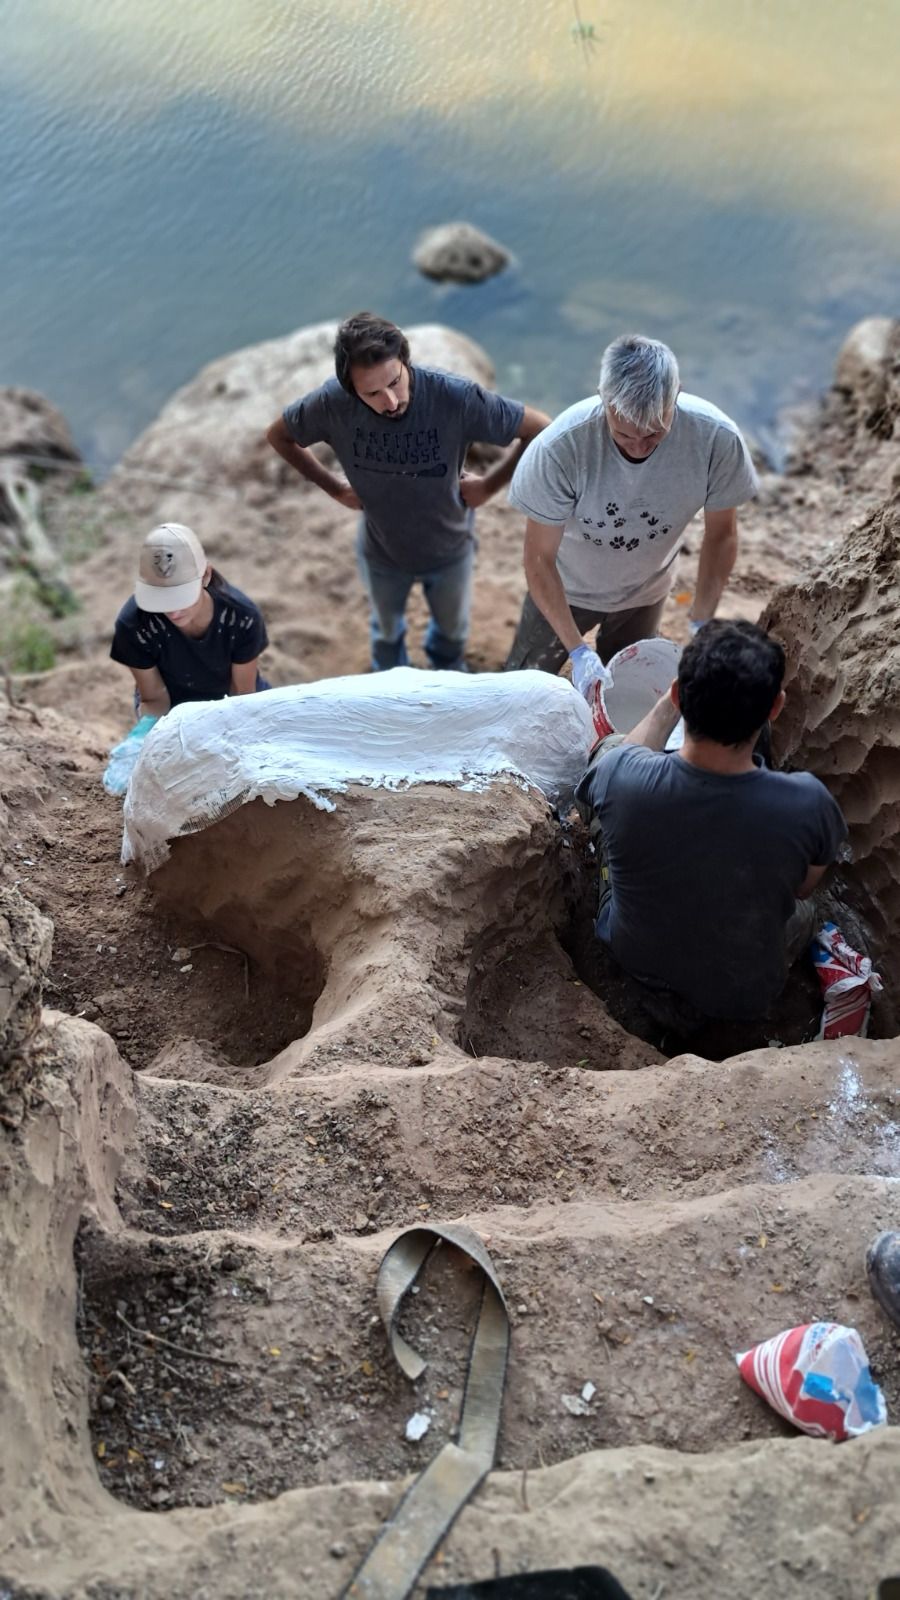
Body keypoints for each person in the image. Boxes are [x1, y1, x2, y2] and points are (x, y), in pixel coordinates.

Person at [575, 620, 848, 1037]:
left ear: (678, 695)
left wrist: (668, 704)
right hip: (743, 993)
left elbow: (599, 785)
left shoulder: (620, 777)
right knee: (808, 912)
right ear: (775, 707)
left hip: (637, 960)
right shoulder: (810, 804)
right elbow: (802, 889)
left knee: (610, 752)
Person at [266, 311, 550, 671]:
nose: (390, 401)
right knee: (386, 637)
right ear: (351, 390)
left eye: (395, 382)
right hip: (381, 550)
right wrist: (334, 488)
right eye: (372, 393)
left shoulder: (453, 397)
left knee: (451, 637)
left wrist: (489, 486)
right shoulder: (332, 404)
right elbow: (279, 436)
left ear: (405, 362)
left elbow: (539, 428)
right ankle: (390, 679)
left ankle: (447, 674)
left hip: (450, 547)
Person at [504, 333, 759, 699]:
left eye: (654, 434)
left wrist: (701, 621)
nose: (639, 447)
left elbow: (721, 535)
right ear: (603, 398)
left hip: (646, 589)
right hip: (567, 586)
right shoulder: (561, 448)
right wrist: (577, 651)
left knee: (628, 690)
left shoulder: (715, 440)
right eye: (624, 435)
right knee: (523, 686)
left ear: (677, 394)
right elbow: (539, 558)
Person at [110, 523, 269, 716]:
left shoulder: (241, 617)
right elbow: (154, 698)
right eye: (161, 598)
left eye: (181, 597)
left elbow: (242, 696)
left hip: (233, 702)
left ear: (205, 576)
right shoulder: (135, 625)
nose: (173, 611)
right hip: (172, 708)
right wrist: (148, 729)